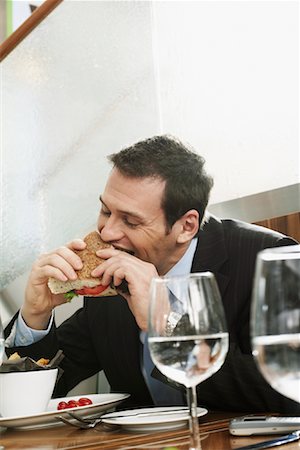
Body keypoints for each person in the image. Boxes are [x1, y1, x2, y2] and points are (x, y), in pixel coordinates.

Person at [4, 135, 299, 413]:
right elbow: (38, 397)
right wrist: (35, 315)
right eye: (106, 211)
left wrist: (166, 324)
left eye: (130, 221)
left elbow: (288, 389)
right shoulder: (109, 279)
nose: (107, 232)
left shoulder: (268, 258)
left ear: (186, 226)